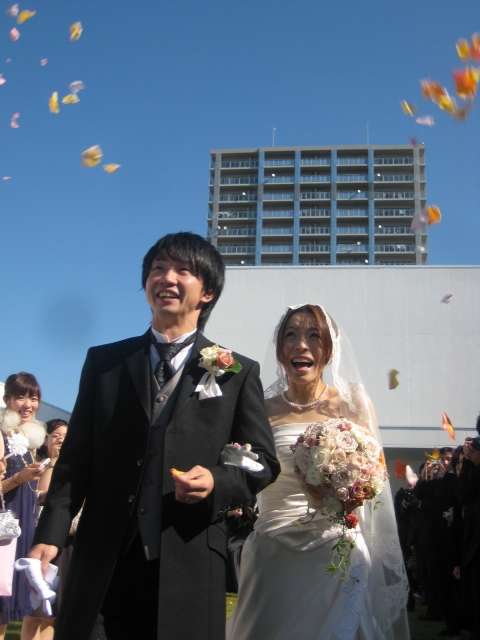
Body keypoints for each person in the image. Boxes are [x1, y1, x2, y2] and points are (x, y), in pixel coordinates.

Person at [28, 232, 280, 640]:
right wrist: (50, 536)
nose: (167, 278)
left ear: (207, 292)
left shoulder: (236, 371)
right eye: (158, 268)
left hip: (189, 557)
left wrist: (218, 480)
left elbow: (263, 461)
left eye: (182, 270)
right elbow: (76, 461)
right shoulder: (105, 363)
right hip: (102, 561)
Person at [227, 304, 409, 640]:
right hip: (271, 554)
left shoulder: (353, 404)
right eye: (291, 335)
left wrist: (352, 490)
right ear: (279, 349)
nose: (301, 345)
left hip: (336, 551)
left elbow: (375, 477)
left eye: (314, 336)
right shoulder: (260, 410)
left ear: (330, 349)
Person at [0, 373, 46, 640]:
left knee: (8, 608)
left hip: (21, 529)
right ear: (7, 400)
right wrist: (19, 478)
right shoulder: (1, 435)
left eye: (34, 398)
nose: (28, 405)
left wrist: (40, 494)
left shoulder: (29, 441)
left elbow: (27, 489)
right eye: (21, 397)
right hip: (4, 533)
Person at [21, 419, 70, 640]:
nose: (61, 440)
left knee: (52, 614)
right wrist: (55, 461)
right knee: (35, 613)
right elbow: (44, 495)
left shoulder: (75, 467)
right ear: (46, 440)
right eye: (56, 435)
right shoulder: (38, 464)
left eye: (66, 436)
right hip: (41, 537)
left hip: (67, 539)